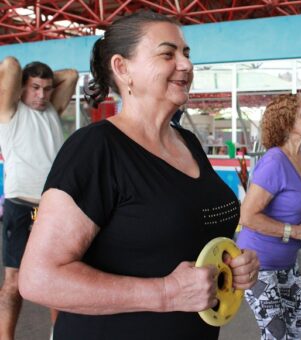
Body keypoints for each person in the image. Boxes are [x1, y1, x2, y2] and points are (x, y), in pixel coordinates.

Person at [17, 11, 259, 340]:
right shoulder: (96, 148)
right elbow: (38, 278)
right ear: (122, 68)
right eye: (167, 53)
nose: (186, 65)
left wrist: (234, 264)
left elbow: (185, 237)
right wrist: (164, 293)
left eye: (186, 54)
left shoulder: (187, 141)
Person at [237, 93, 301, 339]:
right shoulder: (274, 162)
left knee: (300, 322)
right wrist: (296, 231)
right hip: (258, 263)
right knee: (276, 332)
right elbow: (247, 216)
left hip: (287, 262)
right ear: (286, 123)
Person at [0, 57, 78, 339]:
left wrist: (40, 82)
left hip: (51, 206)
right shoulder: (9, 110)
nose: (42, 95)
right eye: (34, 88)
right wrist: (19, 85)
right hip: (20, 204)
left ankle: (57, 335)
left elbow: (70, 74)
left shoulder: (51, 111)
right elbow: (9, 64)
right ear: (21, 88)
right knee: (13, 282)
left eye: (46, 89)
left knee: (58, 276)